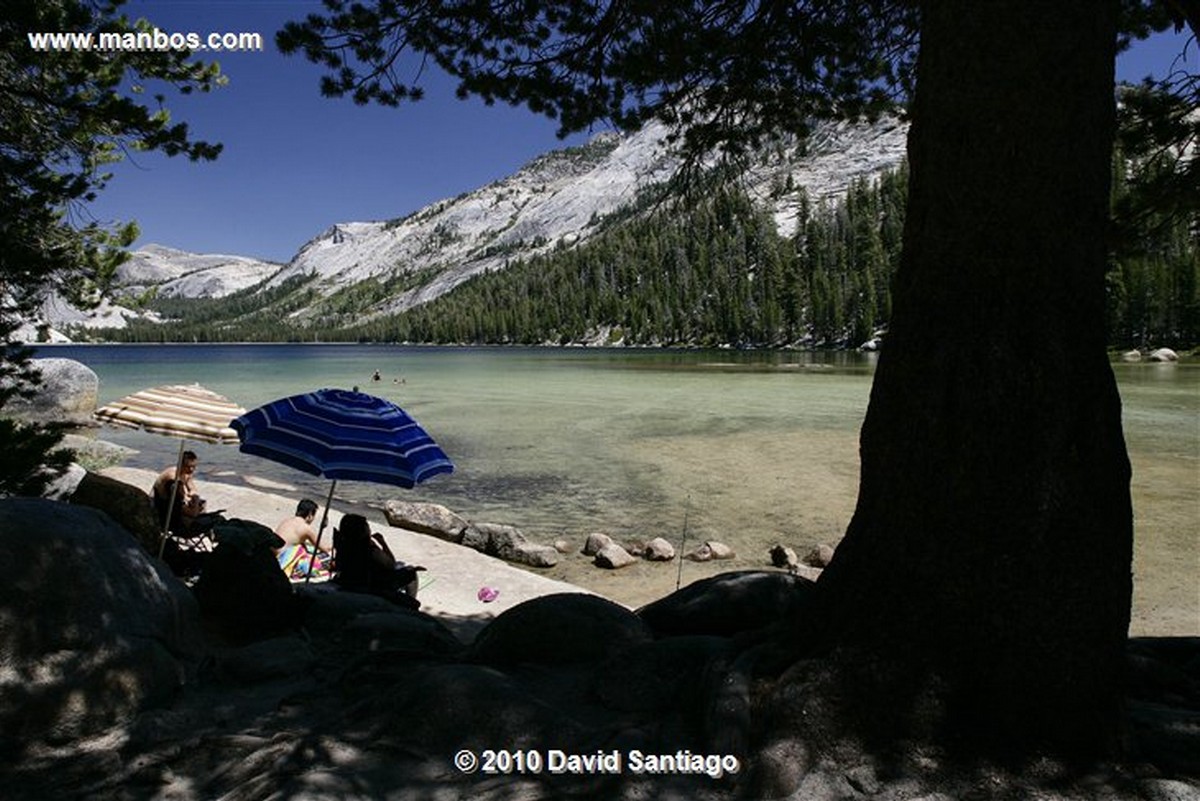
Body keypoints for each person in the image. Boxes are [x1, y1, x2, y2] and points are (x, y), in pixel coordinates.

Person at [332, 513, 424, 609]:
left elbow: (339, 565)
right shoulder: (369, 549)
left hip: (350, 583)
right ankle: (407, 609)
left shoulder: (342, 543)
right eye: (367, 527)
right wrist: (383, 543)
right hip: (373, 588)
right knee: (411, 572)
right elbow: (391, 564)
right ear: (363, 531)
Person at [274, 499, 332, 580]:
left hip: (275, 557)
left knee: (304, 547)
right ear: (309, 515)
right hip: (285, 560)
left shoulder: (286, 521)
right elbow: (324, 548)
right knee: (328, 556)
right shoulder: (305, 528)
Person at [152, 450, 206, 535]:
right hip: (166, 514)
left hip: (175, 505)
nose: (191, 470)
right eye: (188, 467)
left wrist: (193, 495)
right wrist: (195, 502)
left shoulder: (185, 473)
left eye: (194, 467)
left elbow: (192, 488)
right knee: (201, 515)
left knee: (201, 504)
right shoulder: (174, 481)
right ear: (180, 464)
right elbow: (188, 511)